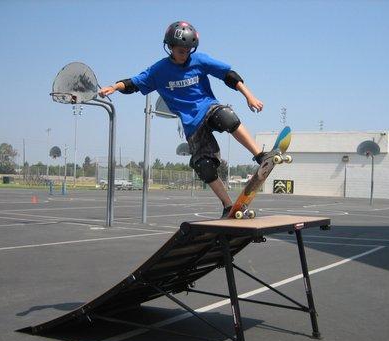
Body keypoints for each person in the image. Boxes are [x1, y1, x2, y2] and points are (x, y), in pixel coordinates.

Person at [99, 21, 269, 218]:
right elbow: (133, 83)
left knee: (227, 117)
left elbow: (229, 75)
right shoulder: (159, 70)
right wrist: (114, 87)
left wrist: (250, 96)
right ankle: (228, 206)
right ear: (170, 47)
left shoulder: (199, 60)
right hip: (192, 125)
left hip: (208, 108)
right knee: (204, 167)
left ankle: (260, 156)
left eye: (188, 50)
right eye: (181, 51)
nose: (184, 55)